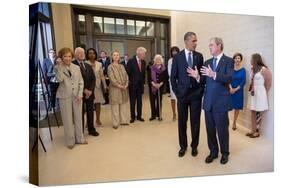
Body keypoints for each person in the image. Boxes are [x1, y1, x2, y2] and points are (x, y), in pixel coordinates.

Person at [199, 37, 234, 164]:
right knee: (210, 130)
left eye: (211, 45)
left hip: (221, 102)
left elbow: (229, 78)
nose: (209, 47)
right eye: (209, 45)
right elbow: (203, 81)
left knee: (222, 130)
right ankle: (213, 152)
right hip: (208, 102)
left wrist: (214, 74)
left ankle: (225, 153)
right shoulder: (207, 62)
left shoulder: (228, 61)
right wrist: (197, 76)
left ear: (219, 46)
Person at [171, 32, 204, 158]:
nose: (196, 43)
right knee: (182, 122)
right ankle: (183, 146)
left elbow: (201, 76)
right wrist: (177, 92)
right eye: (194, 41)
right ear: (186, 41)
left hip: (196, 95)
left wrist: (200, 89)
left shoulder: (199, 56)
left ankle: (194, 146)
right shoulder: (177, 57)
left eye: (196, 41)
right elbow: (173, 77)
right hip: (182, 96)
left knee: (195, 122)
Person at [54, 47, 87, 149]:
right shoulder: (58, 67)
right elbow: (59, 79)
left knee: (78, 118)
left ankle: (80, 138)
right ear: (61, 57)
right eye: (65, 56)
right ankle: (70, 141)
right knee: (67, 119)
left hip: (77, 96)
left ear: (72, 57)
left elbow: (81, 81)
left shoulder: (76, 67)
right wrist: (59, 66)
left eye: (69, 56)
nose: (67, 58)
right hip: (64, 96)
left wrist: (80, 94)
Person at [73, 47, 99, 137]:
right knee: (80, 113)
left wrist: (90, 90)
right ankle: (80, 132)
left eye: (83, 52)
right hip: (78, 93)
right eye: (79, 53)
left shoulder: (87, 65)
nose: (82, 54)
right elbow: (74, 81)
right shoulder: (73, 65)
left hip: (89, 94)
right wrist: (84, 90)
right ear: (75, 54)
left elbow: (93, 79)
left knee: (90, 111)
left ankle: (91, 129)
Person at [247, 53, 272, 138]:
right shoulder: (252, 69)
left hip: (260, 93)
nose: (250, 60)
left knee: (258, 112)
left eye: (251, 59)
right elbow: (251, 80)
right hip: (253, 93)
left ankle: (257, 132)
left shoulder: (264, 70)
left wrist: (263, 92)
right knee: (253, 111)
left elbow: (268, 83)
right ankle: (252, 130)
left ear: (256, 60)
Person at [107, 51, 130, 129]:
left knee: (123, 105)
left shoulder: (122, 66)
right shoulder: (110, 67)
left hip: (124, 88)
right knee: (115, 106)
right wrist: (119, 85)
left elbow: (126, 76)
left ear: (119, 57)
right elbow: (112, 78)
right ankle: (115, 123)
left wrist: (126, 84)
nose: (116, 56)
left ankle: (123, 121)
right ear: (112, 57)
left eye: (117, 55)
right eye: (114, 55)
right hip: (115, 89)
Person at [86, 48, 107, 127]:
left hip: (97, 87)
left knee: (98, 104)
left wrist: (105, 86)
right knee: (89, 105)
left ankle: (98, 119)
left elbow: (102, 76)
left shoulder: (99, 64)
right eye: (90, 53)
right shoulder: (85, 63)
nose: (92, 54)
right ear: (87, 54)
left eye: (93, 53)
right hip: (88, 87)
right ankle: (88, 121)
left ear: (95, 55)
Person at [127, 47, 147, 123]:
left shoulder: (144, 62)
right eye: (144, 54)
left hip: (140, 86)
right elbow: (127, 73)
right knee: (132, 102)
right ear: (139, 53)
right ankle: (132, 117)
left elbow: (143, 74)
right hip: (132, 86)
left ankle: (139, 116)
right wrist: (129, 82)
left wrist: (144, 84)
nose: (144, 55)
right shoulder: (131, 61)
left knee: (139, 102)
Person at [229, 53, 246, 130]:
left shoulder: (243, 70)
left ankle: (234, 122)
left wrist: (235, 89)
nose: (237, 59)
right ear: (234, 60)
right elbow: (227, 79)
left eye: (238, 58)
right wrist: (230, 88)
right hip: (230, 90)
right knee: (227, 106)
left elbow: (243, 82)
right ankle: (226, 121)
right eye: (235, 58)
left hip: (238, 91)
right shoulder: (230, 69)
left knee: (237, 108)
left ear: (241, 60)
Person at [149, 54, 168, 121]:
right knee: (152, 101)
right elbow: (149, 78)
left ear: (161, 61)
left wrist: (160, 84)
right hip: (152, 87)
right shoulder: (151, 68)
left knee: (159, 101)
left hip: (160, 86)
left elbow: (166, 77)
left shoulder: (164, 69)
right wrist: (154, 84)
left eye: (159, 59)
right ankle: (153, 115)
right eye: (156, 59)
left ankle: (159, 115)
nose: (158, 61)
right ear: (155, 60)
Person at [168, 46, 180, 121]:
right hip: (172, 82)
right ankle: (174, 114)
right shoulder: (170, 60)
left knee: (180, 98)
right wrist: (174, 79)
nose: (174, 52)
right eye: (173, 51)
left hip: (180, 82)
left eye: (176, 51)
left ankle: (180, 113)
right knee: (173, 98)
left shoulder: (181, 59)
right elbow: (170, 72)